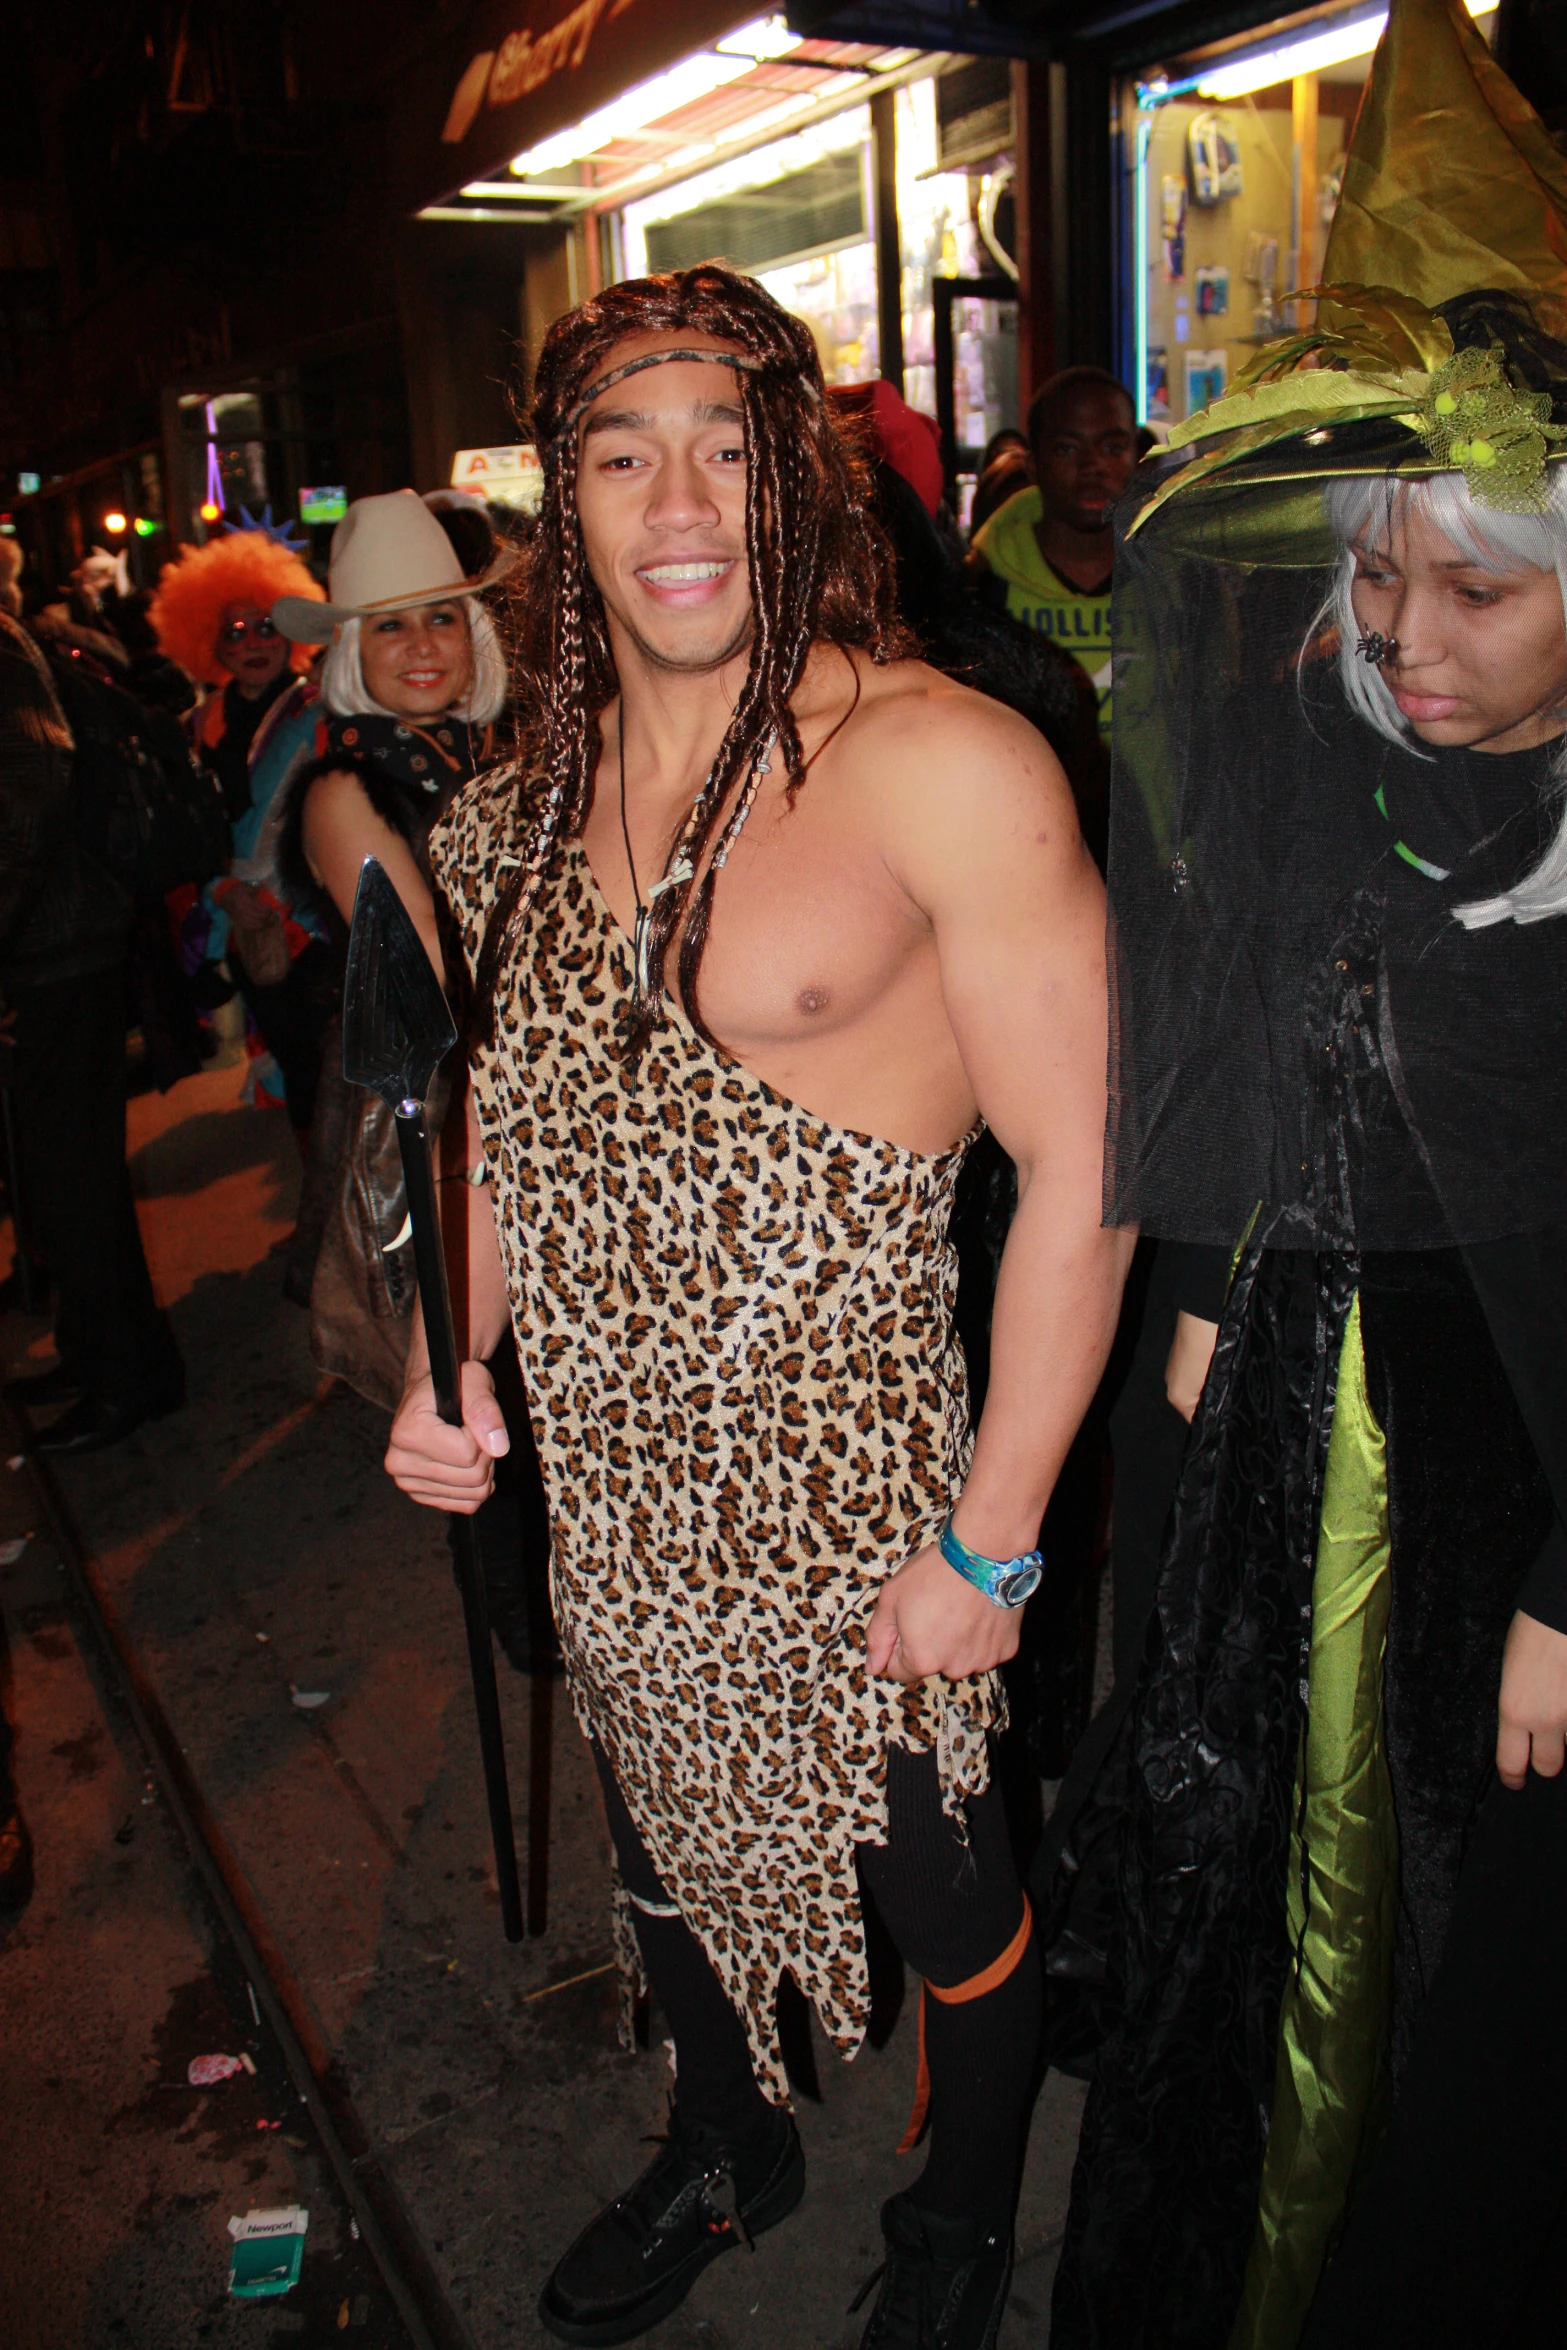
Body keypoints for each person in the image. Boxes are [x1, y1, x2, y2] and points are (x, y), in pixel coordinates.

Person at [386, 264, 1128, 2347]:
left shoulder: (939, 764)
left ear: (796, 475)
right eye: (623, 452)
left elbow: (1089, 1162)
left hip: (863, 1492)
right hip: (617, 1490)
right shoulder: (517, 805)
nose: (678, 495)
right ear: (569, 500)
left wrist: (995, 1535)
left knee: (949, 1889)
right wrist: (453, 1362)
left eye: (727, 442)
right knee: (665, 1837)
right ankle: (728, 2139)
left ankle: (961, 2228)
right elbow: (496, 1136)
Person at [1051, 4, 1567, 2344]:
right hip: (1290, 1388)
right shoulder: (1302, 721)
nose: (1403, 640)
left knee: (1455, 1946)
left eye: (1474, 589)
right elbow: (1245, 992)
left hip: (1515, 1450)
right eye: (1375, 578)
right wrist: (1191, 1267)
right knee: (1251, 1865)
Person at [266, 491, 552, 1674]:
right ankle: (528, 1626)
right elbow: (431, 968)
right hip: (442, 1108)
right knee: (477, 1377)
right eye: (390, 627)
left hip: (543, 1083)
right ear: (349, 653)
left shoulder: (517, 749)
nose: (423, 644)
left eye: (441, 617)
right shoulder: (347, 788)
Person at [0, 610, 184, 1453]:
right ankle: (104, 1360)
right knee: (61, 1178)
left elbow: (33, 793)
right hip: (50, 945)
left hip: (56, 947)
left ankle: (124, 1381)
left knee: (71, 1180)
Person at [148, 531, 332, 1138]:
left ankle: (329, 1218)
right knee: (291, 1055)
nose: (252, 643)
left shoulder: (324, 712)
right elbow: (182, 835)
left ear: (289, 634)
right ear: (208, 643)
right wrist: (222, 891)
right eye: (233, 631)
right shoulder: (195, 727)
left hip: (316, 921)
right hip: (240, 918)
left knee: (326, 1070)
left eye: (264, 627)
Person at [967, 366, 1136, 739]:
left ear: (1137, 457)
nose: (1092, 467)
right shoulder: (984, 586)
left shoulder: (1177, 578)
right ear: (1034, 465)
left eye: (1112, 447)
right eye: (1067, 448)